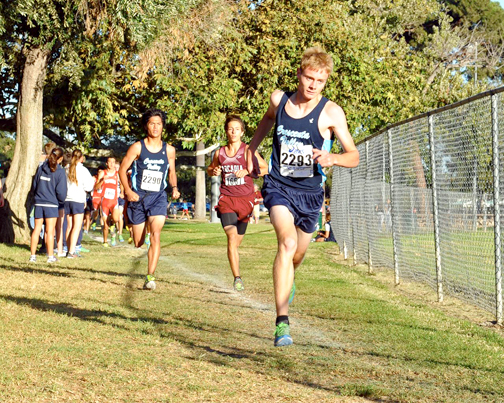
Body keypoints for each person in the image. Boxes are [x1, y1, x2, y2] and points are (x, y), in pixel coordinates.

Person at [247, 46, 359, 347]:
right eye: (309, 78)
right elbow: (266, 120)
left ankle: (289, 279)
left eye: (320, 81)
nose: (313, 85)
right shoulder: (279, 100)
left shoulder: (331, 112)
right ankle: (282, 322)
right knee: (287, 243)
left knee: (297, 254)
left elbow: (354, 156)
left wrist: (333, 158)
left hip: (310, 194)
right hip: (278, 185)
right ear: (299, 73)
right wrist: (252, 150)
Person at [119, 108, 180, 290]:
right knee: (138, 243)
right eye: (152, 123)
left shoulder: (169, 150)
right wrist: (128, 191)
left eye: (158, 124)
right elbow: (122, 170)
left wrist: (174, 187)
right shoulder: (137, 147)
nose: (155, 127)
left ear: (163, 126)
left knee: (156, 234)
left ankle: (150, 277)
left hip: (158, 197)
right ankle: (134, 224)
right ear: (146, 126)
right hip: (138, 198)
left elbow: (172, 172)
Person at [207, 115, 268, 291]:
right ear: (226, 131)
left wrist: (248, 171)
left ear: (242, 132)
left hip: (246, 201)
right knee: (232, 238)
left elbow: (265, 168)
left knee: (236, 242)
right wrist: (214, 170)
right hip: (226, 199)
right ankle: (237, 278)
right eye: (230, 129)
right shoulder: (220, 153)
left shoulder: (248, 150)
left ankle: (235, 269)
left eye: (237, 129)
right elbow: (210, 169)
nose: (233, 132)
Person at [29, 148, 67, 263]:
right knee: (50, 231)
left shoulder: (41, 168)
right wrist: (60, 201)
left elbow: (35, 185)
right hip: (52, 204)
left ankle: (32, 256)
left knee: (36, 229)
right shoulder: (60, 172)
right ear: (60, 159)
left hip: (39, 202)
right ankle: (50, 257)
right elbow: (61, 192)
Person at [65, 149, 95, 258]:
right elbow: (89, 187)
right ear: (81, 158)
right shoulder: (83, 170)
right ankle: (71, 251)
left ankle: (68, 249)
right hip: (78, 199)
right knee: (77, 227)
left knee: (69, 226)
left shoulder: (66, 168)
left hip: (67, 199)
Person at [95, 156, 122, 247]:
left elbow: (121, 184)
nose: (111, 164)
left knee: (116, 219)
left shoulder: (117, 174)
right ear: (107, 163)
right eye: (110, 162)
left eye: (113, 162)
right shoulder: (103, 173)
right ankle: (105, 241)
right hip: (105, 202)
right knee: (105, 224)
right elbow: (96, 187)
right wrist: (102, 180)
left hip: (114, 201)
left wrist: (122, 193)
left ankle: (112, 225)